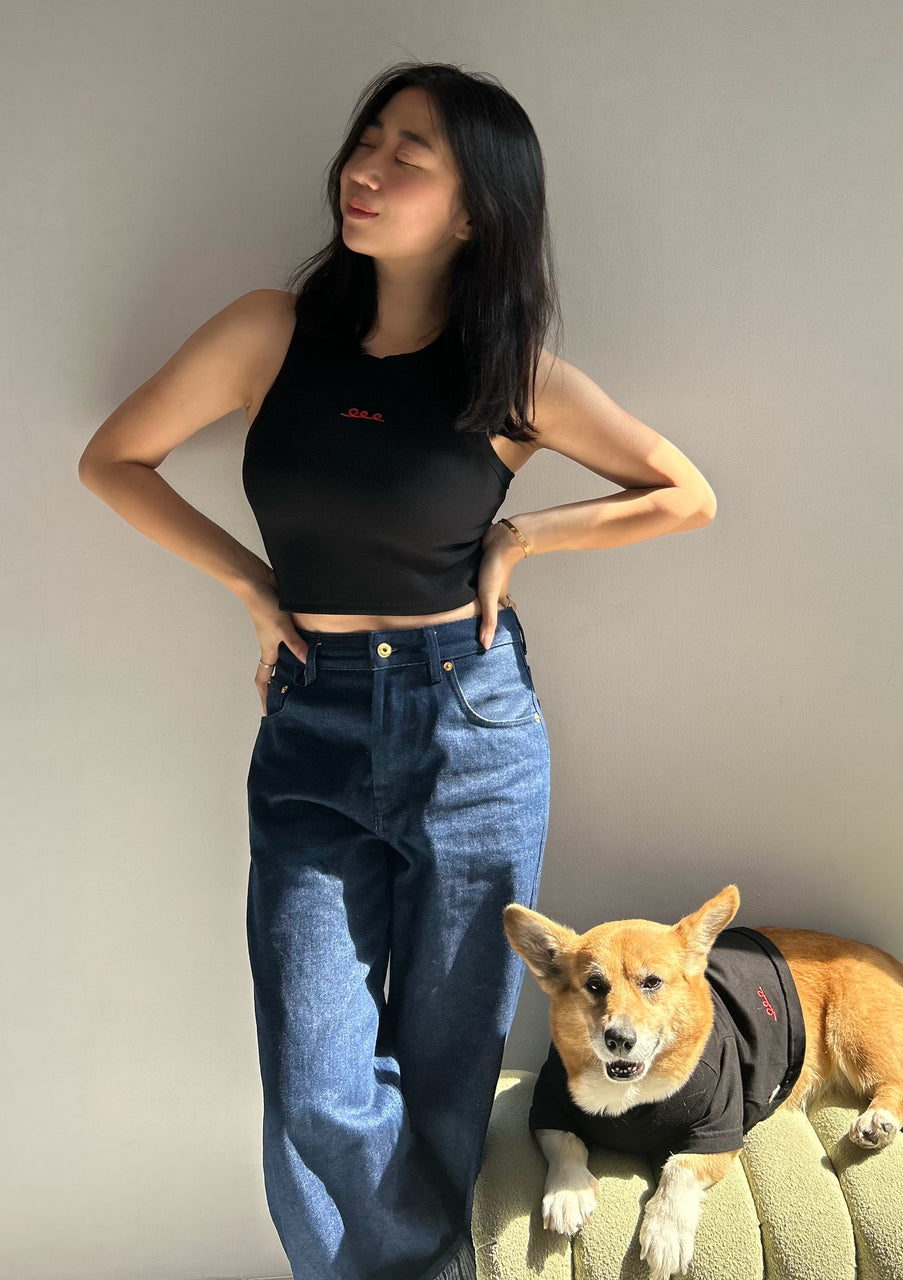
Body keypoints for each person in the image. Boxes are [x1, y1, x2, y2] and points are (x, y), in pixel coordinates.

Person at [78, 60, 717, 1280]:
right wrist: (251, 587)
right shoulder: (271, 332)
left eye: (407, 154)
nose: (364, 170)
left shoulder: (509, 369)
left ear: (476, 208)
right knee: (318, 1076)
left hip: (470, 723)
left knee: (445, 1067)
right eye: (365, 142)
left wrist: (527, 533)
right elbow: (117, 459)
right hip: (313, 718)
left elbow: (681, 493)